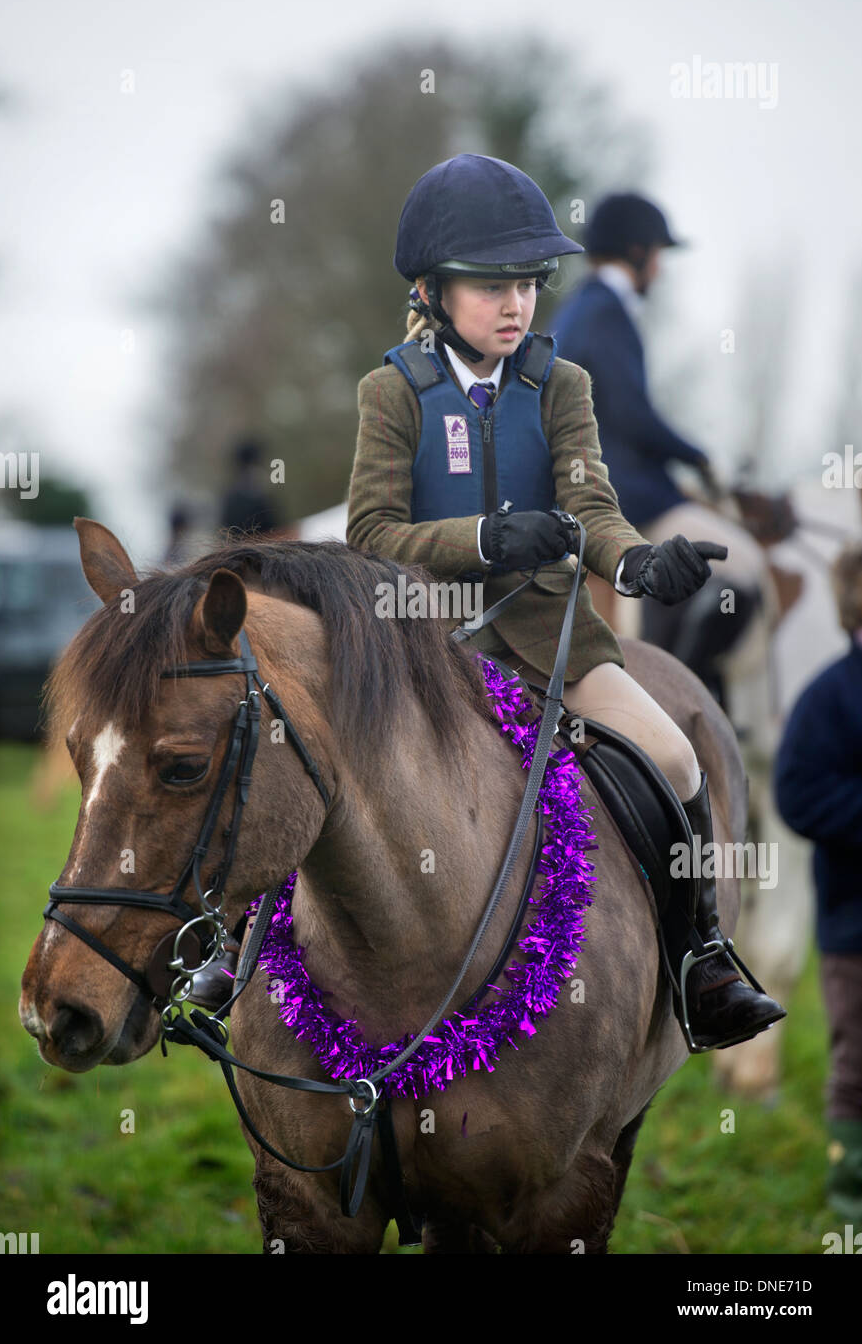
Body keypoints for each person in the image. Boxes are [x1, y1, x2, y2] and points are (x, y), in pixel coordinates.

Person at [344, 153, 785, 1052]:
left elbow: (592, 511)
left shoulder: (563, 388)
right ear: (431, 291)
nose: (515, 305)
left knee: (673, 755)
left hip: (553, 640)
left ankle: (700, 960)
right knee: (311, 760)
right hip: (421, 649)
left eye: (528, 284)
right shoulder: (390, 394)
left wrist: (636, 569)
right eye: (491, 286)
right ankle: (235, 947)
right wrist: (480, 540)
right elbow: (371, 535)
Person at [549, 193, 773, 710]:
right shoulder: (607, 313)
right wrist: (699, 457)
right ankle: (678, 692)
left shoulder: (577, 309)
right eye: (659, 255)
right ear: (636, 250)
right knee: (745, 564)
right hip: (625, 492)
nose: (662, 268)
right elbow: (631, 416)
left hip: (600, 482)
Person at [774, 543, 862, 1218]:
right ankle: (850, 1188)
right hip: (854, 926)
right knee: (856, 1064)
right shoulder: (829, 696)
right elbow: (799, 795)